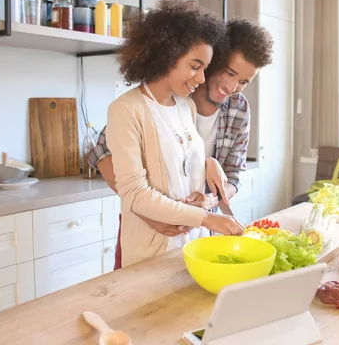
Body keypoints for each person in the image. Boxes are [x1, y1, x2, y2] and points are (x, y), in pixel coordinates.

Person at [90, 17, 274, 268]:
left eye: (243, 81)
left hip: (196, 229)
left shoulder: (233, 108)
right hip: (149, 227)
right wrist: (147, 211)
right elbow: (103, 152)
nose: (232, 86)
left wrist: (208, 202)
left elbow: (231, 175)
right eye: (229, 72)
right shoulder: (151, 100)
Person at [105, 0, 244, 267]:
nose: (202, 78)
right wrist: (207, 217)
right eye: (195, 66)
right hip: (151, 254)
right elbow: (135, 193)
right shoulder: (126, 110)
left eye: (205, 68)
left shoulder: (186, 107)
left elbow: (182, 172)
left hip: (195, 248)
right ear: (167, 54)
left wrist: (203, 194)